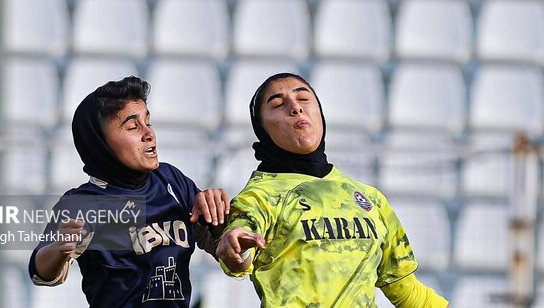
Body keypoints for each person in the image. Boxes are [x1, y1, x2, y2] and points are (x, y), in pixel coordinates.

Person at [216, 73, 449, 307]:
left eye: (304, 99)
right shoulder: (259, 196)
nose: (295, 108)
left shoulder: (370, 198)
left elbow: (405, 289)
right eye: (278, 104)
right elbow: (238, 256)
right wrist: (235, 248)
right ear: (262, 129)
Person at [28, 76, 228, 307]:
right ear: (99, 142)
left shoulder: (172, 181)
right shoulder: (83, 203)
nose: (149, 134)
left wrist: (224, 226)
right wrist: (59, 248)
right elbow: (41, 274)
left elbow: (230, 255)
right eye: (133, 126)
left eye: (148, 122)